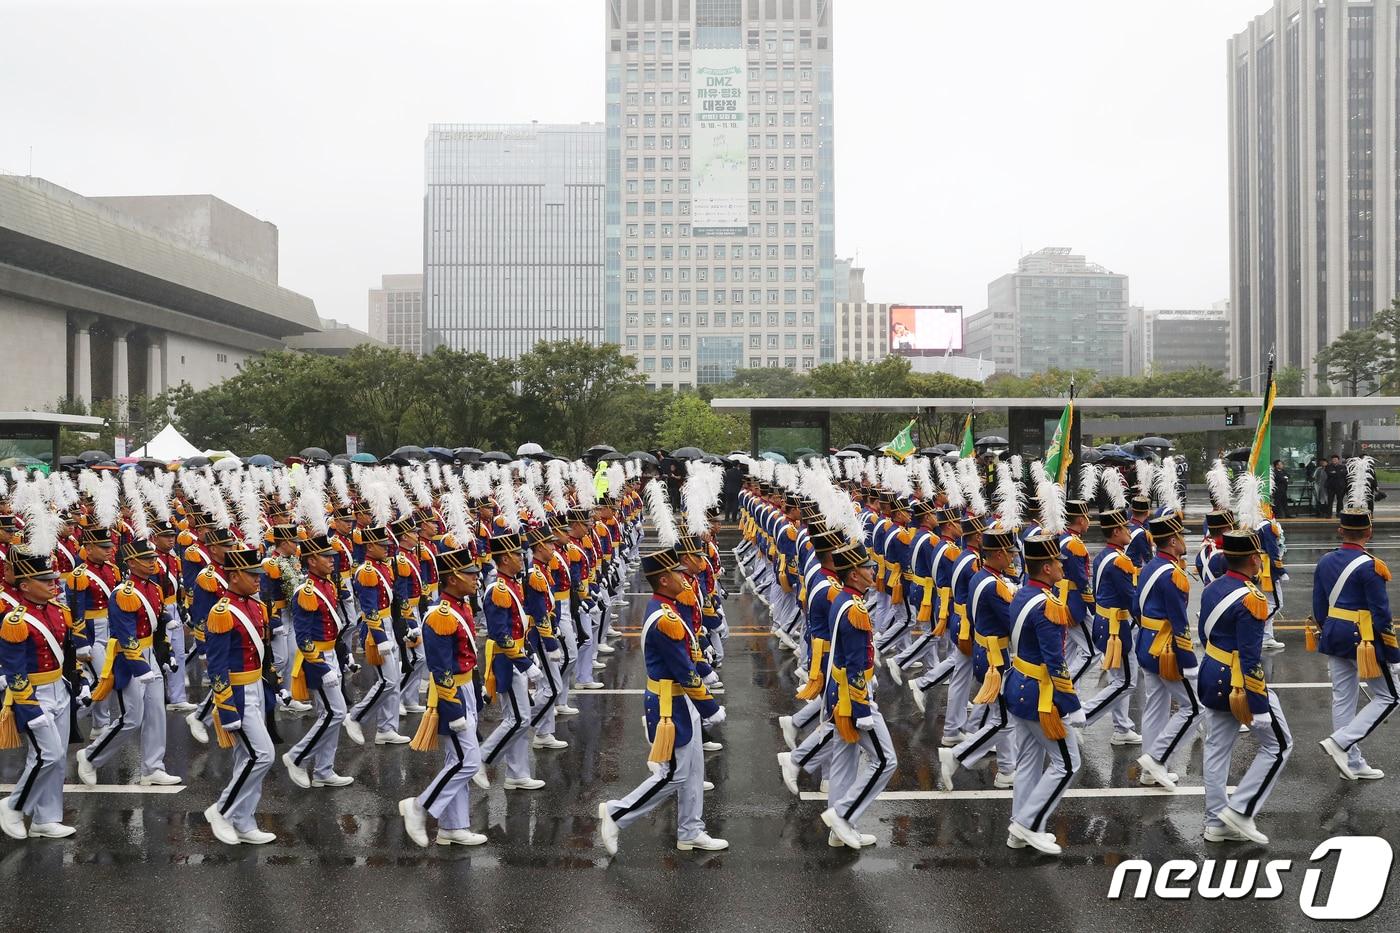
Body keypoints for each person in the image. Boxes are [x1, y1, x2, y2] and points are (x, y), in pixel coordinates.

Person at [596, 542, 727, 854]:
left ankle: (691, 830)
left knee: (694, 771)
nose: (684, 577)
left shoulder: (669, 608)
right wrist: (710, 705)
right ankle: (617, 812)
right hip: (671, 705)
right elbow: (682, 670)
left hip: (683, 701)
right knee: (674, 774)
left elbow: (690, 649)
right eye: (677, 573)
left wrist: (706, 671)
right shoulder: (664, 618)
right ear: (664, 580)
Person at [1197, 530, 1290, 845]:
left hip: (1211, 672)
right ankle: (1240, 811)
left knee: (1216, 751)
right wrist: (1260, 706)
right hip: (1239, 683)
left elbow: (1204, 634)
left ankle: (1215, 823)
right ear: (1254, 559)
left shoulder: (1212, 589)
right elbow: (1251, 658)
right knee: (1279, 745)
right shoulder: (1252, 597)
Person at [77, 536, 181, 787]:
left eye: (154, 558)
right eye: (146, 559)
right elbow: (125, 634)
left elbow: (155, 622)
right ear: (132, 563)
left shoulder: (154, 588)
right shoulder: (123, 594)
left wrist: (165, 646)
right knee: (131, 718)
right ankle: (90, 756)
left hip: (149, 657)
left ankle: (153, 767)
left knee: (156, 712)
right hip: (128, 658)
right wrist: (140, 667)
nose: (152, 562)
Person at [400, 547, 487, 847]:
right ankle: (418, 806)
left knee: (457, 760)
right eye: (470, 574)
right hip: (451, 695)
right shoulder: (440, 615)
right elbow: (441, 670)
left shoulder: (460, 606)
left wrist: (476, 690)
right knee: (468, 762)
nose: (477, 579)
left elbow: (464, 657)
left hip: (465, 689)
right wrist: (456, 710)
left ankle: (453, 826)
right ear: (452, 578)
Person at [1003, 534, 1083, 856]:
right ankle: (1027, 822)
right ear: (1047, 567)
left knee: (1028, 762)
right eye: (1058, 563)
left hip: (1017, 686)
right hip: (1040, 696)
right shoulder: (1048, 605)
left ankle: (1019, 831)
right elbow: (1056, 659)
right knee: (1067, 763)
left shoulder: (1023, 593)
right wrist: (1072, 703)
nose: (1062, 567)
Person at [0, 542, 81, 840]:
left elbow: (66, 651)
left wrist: (76, 683)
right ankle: (13, 805)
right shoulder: (15, 621)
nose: (53, 583)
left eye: (52, 578)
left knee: (58, 758)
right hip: (34, 694)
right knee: (47, 754)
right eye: (45, 581)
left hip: (59, 686)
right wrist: (29, 708)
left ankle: (46, 818)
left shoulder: (59, 611)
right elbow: (15, 671)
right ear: (25, 585)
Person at [820, 540, 898, 851]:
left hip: (840, 692)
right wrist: (862, 706)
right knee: (885, 760)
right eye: (866, 567)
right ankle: (843, 815)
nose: (872, 569)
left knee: (844, 760)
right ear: (853, 574)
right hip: (853, 696)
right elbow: (853, 662)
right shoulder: (854, 608)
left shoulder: (844, 599)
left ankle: (841, 829)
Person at [1314, 497, 1397, 781]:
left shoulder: (1325, 561)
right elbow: (1382, 614)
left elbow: (1319, 605)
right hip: (1364, 639)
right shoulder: (1371, 566)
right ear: (1369, 532)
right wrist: (1393, 653)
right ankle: (1341, 742)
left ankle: (1351, 761)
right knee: (1390, 696)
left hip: (1334, 634)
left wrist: (1328, 631)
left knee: (1343, 698)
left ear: (1341, 530)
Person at [203, 545, 278, 846]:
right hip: (238, 695)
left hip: (256, 687)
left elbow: (263, 653)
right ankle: (221, 810)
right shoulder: (222, 612)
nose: (258, 579)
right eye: (251, 574)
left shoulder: (255, 606)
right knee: (263, 755)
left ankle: (244, 820)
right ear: (234, 577)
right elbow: (217, 665)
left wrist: (276, 685)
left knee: (247, 757)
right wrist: (226, 708)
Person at [282, 531, 354, 790]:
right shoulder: (307, 591)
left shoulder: (327, 585)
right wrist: (322, 667)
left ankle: (324, 769)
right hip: (316, 660)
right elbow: (303, 637)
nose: (331, 560)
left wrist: (340, 656)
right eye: (325, 556)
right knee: (336, 713)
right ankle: (297, 757)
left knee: (329, 714)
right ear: (311, 560)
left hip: (330, 654)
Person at [1133, 514, 1198, 789]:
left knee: (1156, 707)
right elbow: (1179, 620)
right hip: (1167, 649)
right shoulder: (1172, 573)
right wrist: (1189, 660)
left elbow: (1136, 609)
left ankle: (1150, 771)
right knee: (1194, 708)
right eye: (1181, 536)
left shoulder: (1150, 567)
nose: (1183, 540)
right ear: (1173, 541)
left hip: (1147, 643)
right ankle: (1157, 759)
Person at [477, 531, 545, 790]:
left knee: (519, 716)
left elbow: (519, 626)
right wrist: (525, 663)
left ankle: (517, 773)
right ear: (505, 559)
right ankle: (483, 758)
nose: (521, 558)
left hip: (517, 656)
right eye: (516, 554)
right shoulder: (498, 590)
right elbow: (500, 634)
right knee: (517, 718)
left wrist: (530, 652)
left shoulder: (512, 584)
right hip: (508, 660)